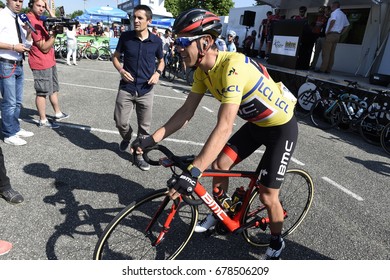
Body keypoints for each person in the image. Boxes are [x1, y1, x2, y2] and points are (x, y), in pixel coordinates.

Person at [134, 8, 298, 260]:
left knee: (267, 194)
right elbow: (186, 112)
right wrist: (150, 139)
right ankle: (220, 210)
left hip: (281, 129)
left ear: (205, 42)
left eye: (182, 41)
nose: (176, 47)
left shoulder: (233, 68)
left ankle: (276, 242)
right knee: (221, 164)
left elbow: (224, 126)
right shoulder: (202, 71)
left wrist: (194, 171)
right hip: (257, 125)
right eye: (176, 40)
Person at [112, 4, 164, 171]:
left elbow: (162, 60)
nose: (135, 20)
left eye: (140, 18)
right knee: (120, 122)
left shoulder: (156, 41)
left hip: (146, 90)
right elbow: (115, 57)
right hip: (126, 87)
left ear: (148, 21)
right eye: (134, 17)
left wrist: (158, 73)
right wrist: (121, 70)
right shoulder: (125, 37)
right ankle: (127, 137)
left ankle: (139, 155)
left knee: (145, 128)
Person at [27, 0, 69, 128]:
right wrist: (54, 34)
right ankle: (43, 120)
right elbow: (44, 47)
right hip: (40, 61)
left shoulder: (40, 18)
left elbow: (58, 22)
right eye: (38, 6)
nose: (41, 9)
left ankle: (57, 112)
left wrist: (50, 10)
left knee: (54, 89)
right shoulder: (31, 21)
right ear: (31, 5)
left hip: (49, 60)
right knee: (42, 92)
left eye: (43, 7)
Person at [0, 0, 34, 146]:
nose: (19, 4)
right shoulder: (2, 16)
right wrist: (13, 47)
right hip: (6, 63)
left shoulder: (18, 18)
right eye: (16, 0)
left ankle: (15, 128)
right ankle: (9, 133)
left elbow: (25, 44)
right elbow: (15, 45)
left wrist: (29, 33)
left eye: (21, 1)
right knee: (10, 102)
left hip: (19, 63)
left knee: (18, 101)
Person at [317, 1, 349, 74]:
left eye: (331, 6)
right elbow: (347, 25)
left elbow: (333, 21)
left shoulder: (334, 13)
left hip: (331, 34)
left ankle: (322, 69)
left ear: (334, 6)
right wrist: (341, 33)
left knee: (326, 52)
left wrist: (328, 31)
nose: (331, 8)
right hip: (337, 35)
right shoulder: (343, 14)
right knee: (332, 53)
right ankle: (328, 69)